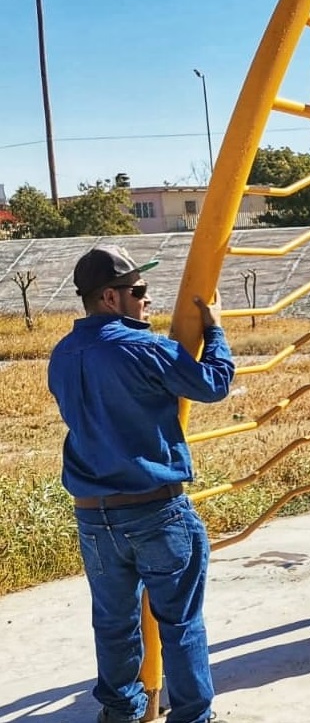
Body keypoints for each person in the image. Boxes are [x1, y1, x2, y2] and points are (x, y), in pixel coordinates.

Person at [48, 246, 234, 723]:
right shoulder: (145, 348)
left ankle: (120, 712)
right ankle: (192, 716)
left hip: (93, 514)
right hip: (155, 510)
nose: (147, 301)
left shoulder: (63, 354)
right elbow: (213, 384)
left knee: (113, 624)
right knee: (180, 622)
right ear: (111, 297)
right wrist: (214, 329)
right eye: (140, 291)